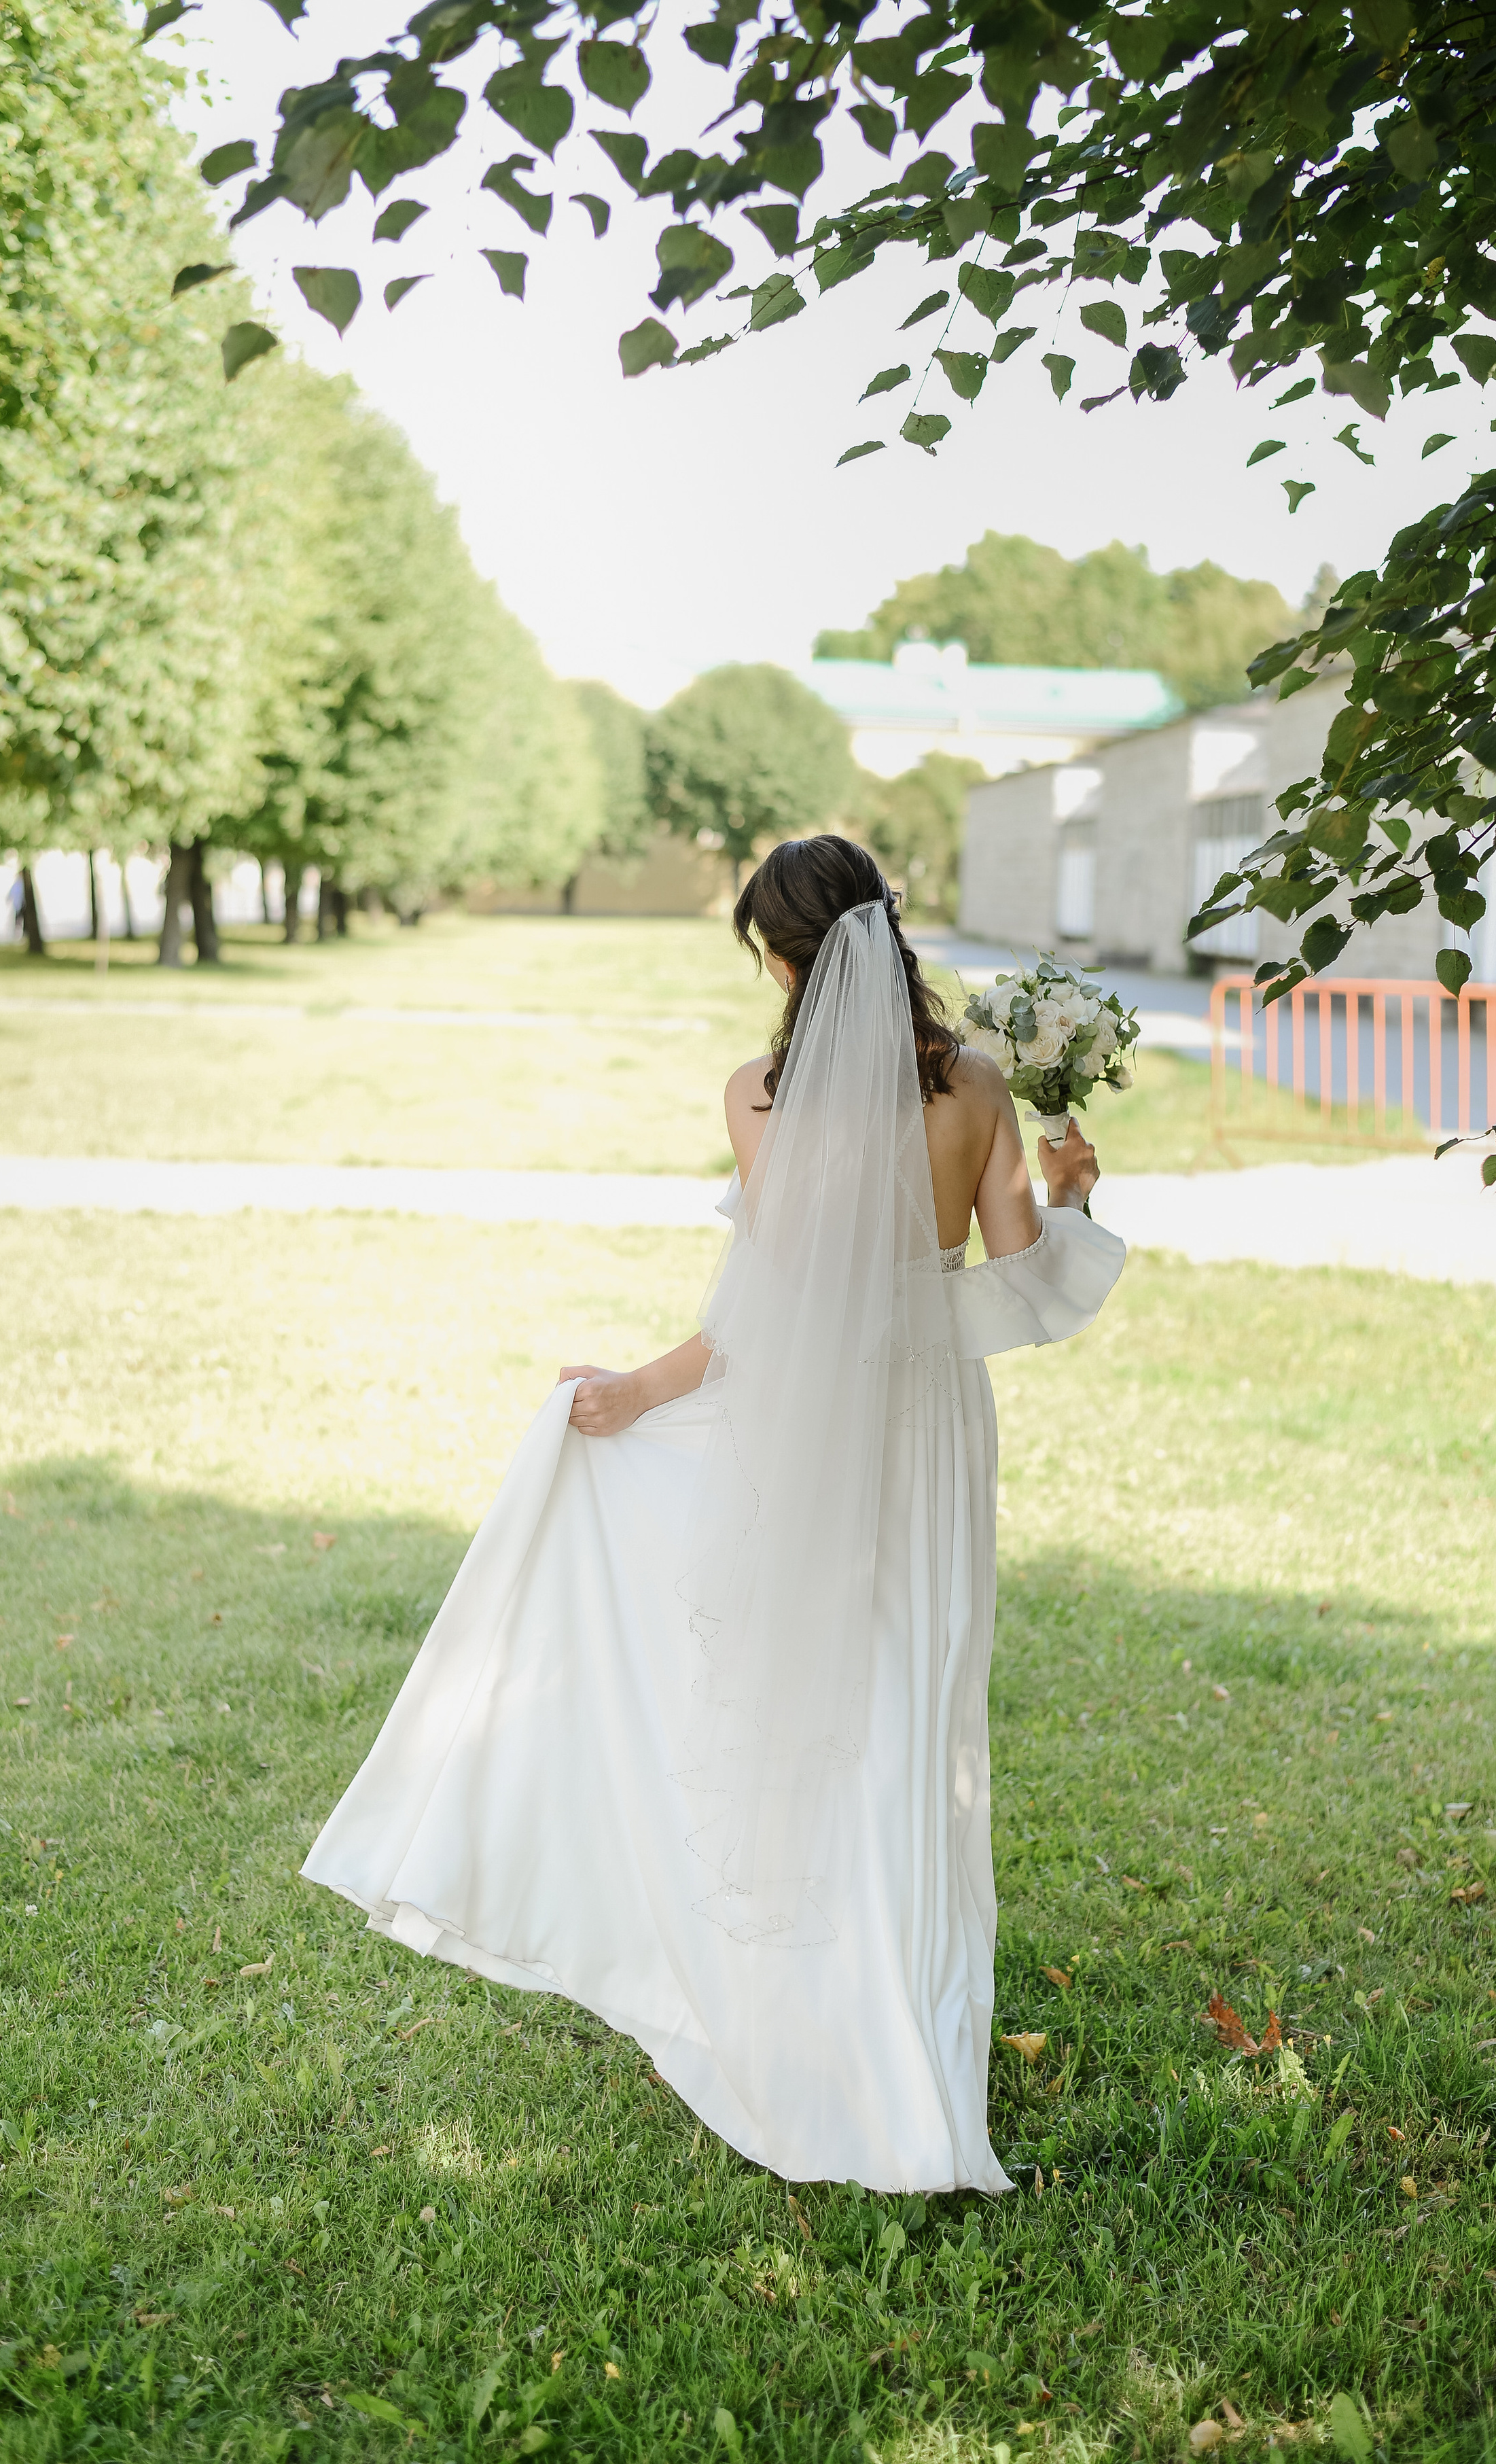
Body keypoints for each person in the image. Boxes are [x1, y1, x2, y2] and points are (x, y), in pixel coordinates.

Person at [302, 837, 1125, 2191]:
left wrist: (633, 1393)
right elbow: (1022, 1288)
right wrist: (1073, 1185)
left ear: (789, 963)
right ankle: (905, 2051)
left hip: (800, 1436)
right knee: (912, 1714)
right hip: (923, 1439)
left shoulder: (759, 1098)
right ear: (887, 934)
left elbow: (759, 1317)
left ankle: (802, 2031)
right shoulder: (975, 1088)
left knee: (804, 1710)